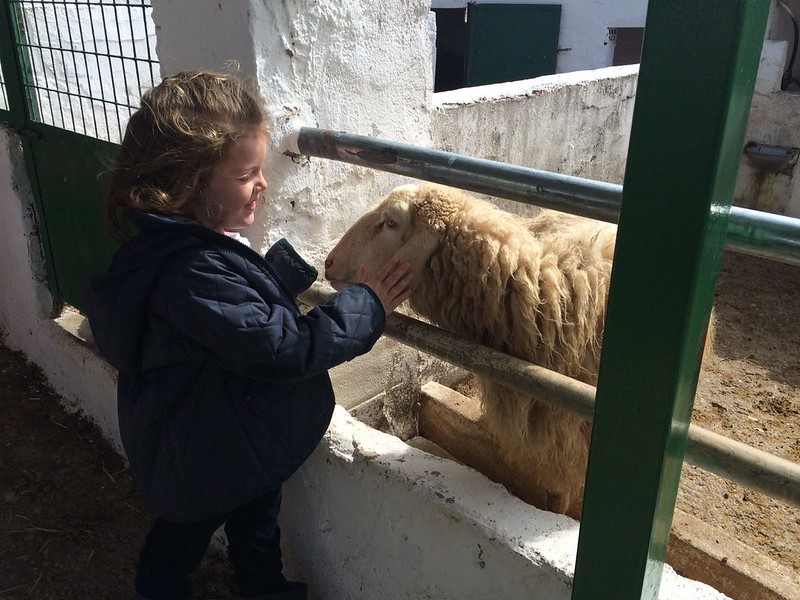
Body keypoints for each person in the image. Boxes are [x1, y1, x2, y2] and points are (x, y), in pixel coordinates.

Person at [82, 70, 415, 600]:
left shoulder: (192, 245)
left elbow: (228, 326)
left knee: (257, 525)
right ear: (188, 182)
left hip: (229, 434)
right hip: (198, 452)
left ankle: (264, 589)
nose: (262, 183)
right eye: (247, 174)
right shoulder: (189, 269)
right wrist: (368, 303)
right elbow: (283, 348)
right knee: (178, 545)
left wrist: (278, 274)